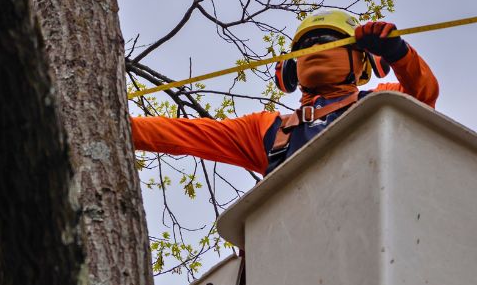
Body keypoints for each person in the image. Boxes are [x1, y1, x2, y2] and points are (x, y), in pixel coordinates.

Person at [131, 10, 439, 175]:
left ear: (362, 65)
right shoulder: (269, 130)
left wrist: (401, 54)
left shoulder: (381, 102)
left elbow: (423, 95)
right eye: (307, 46)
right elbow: (183, 134)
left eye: (331, 42)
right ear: (290, 71)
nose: (317, 47)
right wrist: (118, 126)